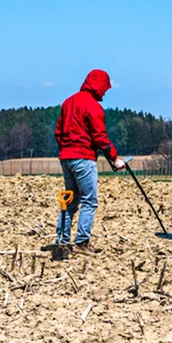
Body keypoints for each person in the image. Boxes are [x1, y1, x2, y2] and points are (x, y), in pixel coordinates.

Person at [54, 69, 126, 256]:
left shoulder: (68, 102)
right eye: (104, 89)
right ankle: (82, 242)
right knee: (89, 201)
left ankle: (61, 240)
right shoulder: (92, 107)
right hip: (83, 159)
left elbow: (58, 132)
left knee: (69, 200)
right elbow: (100, 138)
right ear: (98, 86)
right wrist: (115, 159)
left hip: (66, 158)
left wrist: (65, 150)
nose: (104, 93)